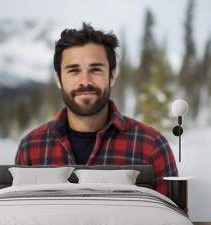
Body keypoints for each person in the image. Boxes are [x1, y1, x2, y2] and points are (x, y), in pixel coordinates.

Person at [15, 23, 178, 197]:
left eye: (96, 69)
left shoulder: (151, 145)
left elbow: (174, 219)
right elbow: (16, 219)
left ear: (112, 76)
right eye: (73, 70)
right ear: (59, 79)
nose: (85, 81)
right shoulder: (31, 147)